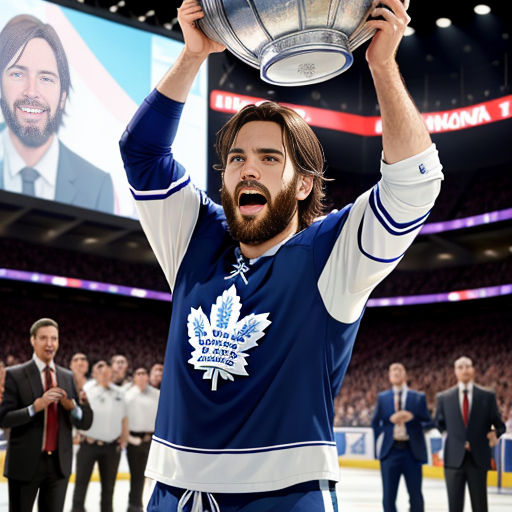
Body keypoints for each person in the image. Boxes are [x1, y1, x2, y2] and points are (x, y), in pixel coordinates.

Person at [119, 0, 443, 508]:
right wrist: (193, 56)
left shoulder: (330, 255)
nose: (249, 170)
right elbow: (141, 153)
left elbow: (412, 187)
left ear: (302, 185)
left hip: (283, 496)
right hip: (171, 493)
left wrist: (382, 66)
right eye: (236, 159)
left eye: (270, 158)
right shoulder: (195, 237)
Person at [0, 14, 114, 213]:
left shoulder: (97, 186)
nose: (32, 91)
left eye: (46, 78)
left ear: (62, 97)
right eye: (18, 74)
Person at [0, 318, 93, 512]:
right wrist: (34, 408)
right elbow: (4, 418)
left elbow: (84, 423)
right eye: (43, 338)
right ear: (32, 340)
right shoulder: (14, 374)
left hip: (59, 466)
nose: (49, 343)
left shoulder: (67, 376)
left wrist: (72, 407)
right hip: (24, 464)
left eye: (54, 338)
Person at [435, 356, 506, 512]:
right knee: (454, 507)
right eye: (460, 367)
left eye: (467, 366)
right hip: (453, 461)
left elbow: (500, 426)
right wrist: (455, 439)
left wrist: (494, 433)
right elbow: (439, 424)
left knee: (480, 506)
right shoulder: (443, 398)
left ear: (473, 369)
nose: (464, 370)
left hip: (478, 460)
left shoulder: (487, 396)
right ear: (455, 371)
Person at [372, 363, 433, 512]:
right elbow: (375, 424)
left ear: (405, 374)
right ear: (389, 376)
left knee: (416, 496)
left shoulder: (418, 397)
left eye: (399, 369)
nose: (396, 372)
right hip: (390, 452)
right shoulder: (383, 398)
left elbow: (429, 422)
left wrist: (412, 418)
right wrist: (389, 423)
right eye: (392, 370)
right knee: (388, 497)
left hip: (412, 452)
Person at [72, 359, 128, 512]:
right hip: (88, 445)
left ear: (112, 375)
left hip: (111, 448)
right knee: (80, 486)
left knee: (108, 489)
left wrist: (124, 438)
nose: (105, 375)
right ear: (96, 375)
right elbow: (78, 414)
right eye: (101, 372)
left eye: (108, 373)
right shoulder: (88, 390)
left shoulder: (119, 393)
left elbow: (124, 418)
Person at [125, 367, 160, 512]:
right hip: (135, 440)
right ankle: (135, 506)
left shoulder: (157, 394)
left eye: (143, 373)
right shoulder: (128, 396)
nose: (141, 376)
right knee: (137, 476)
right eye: (137, 373)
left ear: (147, 377)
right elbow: (122, 419)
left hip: (153, 440)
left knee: (157, 476)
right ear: (134, 378)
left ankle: (156, 506)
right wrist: (130, 438)